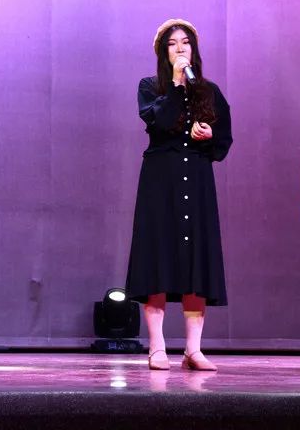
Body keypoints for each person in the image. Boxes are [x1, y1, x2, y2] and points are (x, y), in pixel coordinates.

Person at [125, 19, 232, 371]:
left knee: (195, 262)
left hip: (197, 179)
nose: (181, 48)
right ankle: (157, 346)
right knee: (157, 257)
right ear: (163, 52)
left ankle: (193, 349)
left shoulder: (209, 91)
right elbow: (158, 121)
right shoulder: (150, 86)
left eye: (185, 42)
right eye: (172, 44)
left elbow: (224, 141)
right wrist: (175, 83)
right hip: (161, 180)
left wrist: (208, 135)